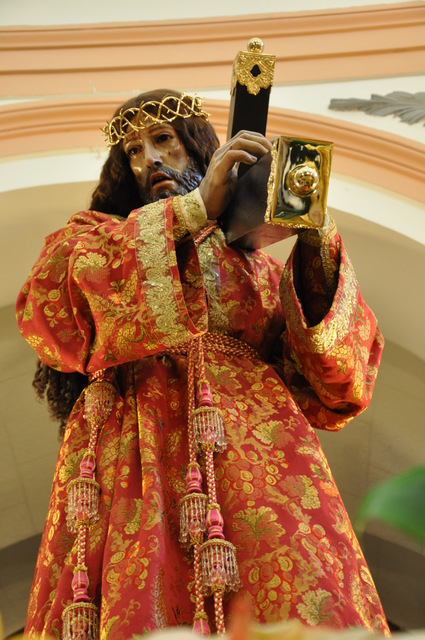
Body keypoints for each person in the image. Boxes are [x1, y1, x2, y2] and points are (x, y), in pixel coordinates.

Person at [16, 89, 389, 639]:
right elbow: (51, 305)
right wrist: (193, 210)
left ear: (197, 146)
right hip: (134, 448)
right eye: (133, 151)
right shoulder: (92, 236)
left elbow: (335, 382)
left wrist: (315, 237)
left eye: (163, 140)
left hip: (254, 456)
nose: (150, 160)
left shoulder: (258, 269)